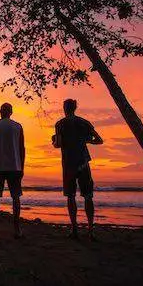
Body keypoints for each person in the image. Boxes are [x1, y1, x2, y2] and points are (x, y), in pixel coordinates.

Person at [53, 99, 103, 240]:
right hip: (83, 162)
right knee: (88, 196)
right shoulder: (84, 123)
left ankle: (74, 229)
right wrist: (86, 141)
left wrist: (55, 143)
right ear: (75, 108)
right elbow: (99, 140)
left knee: (70, 196)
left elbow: (58, 144)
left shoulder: (60, 124)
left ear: (65, 108)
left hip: (69, 163)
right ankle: (91, 230)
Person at [0, 103, 25, 239]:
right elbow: (22, 149)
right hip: (14, 166)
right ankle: (16, 229)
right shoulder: (17, 126)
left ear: (0, 111)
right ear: (11, 112)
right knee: (16, 197)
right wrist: (22, 166)